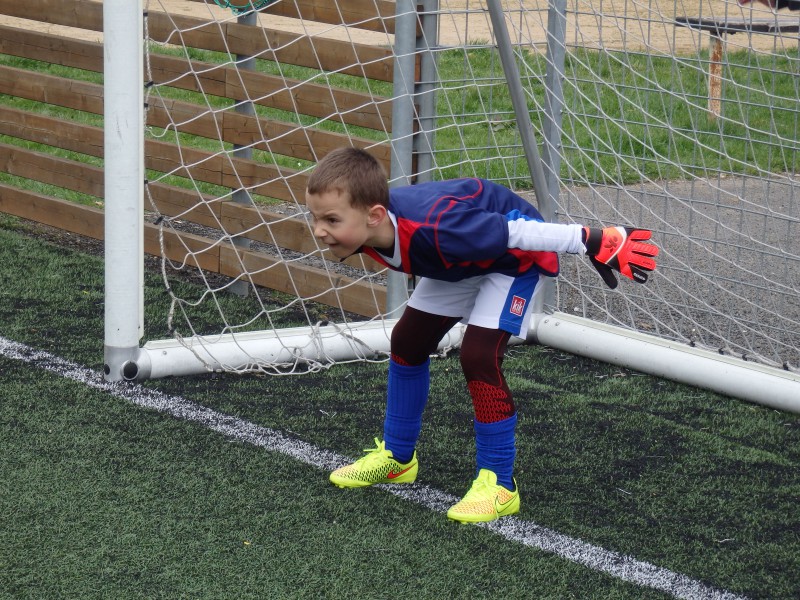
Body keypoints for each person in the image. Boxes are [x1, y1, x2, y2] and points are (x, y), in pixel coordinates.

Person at [305, 147, 658, 523]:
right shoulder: (373, 227)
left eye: (331, 219)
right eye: (315, 217)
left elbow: (517, 232)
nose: (319, 230)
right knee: (408, 342)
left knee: (479, 356)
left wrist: (593, 239)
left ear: (375, 215)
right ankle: (397, 458)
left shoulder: (439, 226)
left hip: (512, 260)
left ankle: (499, 485)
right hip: (461, 260)